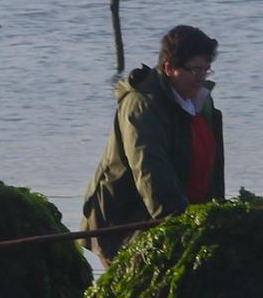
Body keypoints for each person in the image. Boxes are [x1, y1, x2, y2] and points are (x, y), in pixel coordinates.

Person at [81, 25, 225, 263]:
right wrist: (180, 226)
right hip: (124, 224)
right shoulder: (141, 106)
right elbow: (150, 171)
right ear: (169, 68)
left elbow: (210, 170)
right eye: (193, 70)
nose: (200, 77)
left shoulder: (199, 103)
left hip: (182, 216)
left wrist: (215, 216)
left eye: (206, 70)